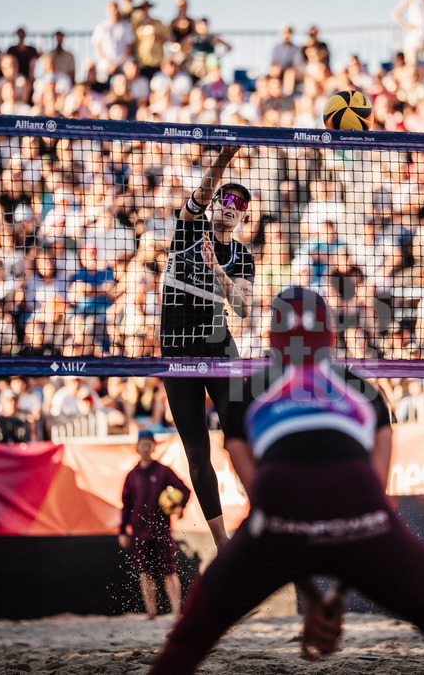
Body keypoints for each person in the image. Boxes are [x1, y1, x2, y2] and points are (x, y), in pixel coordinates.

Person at [150, 287, 424, 674]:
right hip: (363, 517)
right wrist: (337, 594)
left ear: (271, 338)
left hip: (279, 518)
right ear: (330, 335)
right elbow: (372, 498)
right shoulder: (366, 391)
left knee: (186, 642)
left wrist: (313, 597)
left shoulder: (243, 395)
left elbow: (274, 507)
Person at [159, 144, 252, 548]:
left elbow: (245, 308)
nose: (232, 206)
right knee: (197, 451)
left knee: (241, 436)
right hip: (178, 350)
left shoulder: (242, 256)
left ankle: (269, 516)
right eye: (226, 199)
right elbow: (200, 195)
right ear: (214, 203)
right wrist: (224, 158)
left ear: (244, 216)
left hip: (218, 346)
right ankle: (222, 543)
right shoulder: (189, 230)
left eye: (240, 204)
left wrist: (218, 271)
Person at [119, 429, 191, 620]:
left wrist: (179, 506)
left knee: (169, 571)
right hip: (139, 531)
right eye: (142, 444)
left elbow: (184, 489)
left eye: (149, 444)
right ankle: (151, 613)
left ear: (153, 447)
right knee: (145, 572)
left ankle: (177, 612)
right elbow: (126, 505)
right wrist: (122, 531)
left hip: (161, 530)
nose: (145, 447)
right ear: (137, 447)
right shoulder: (132, 475)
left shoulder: (162, 471)